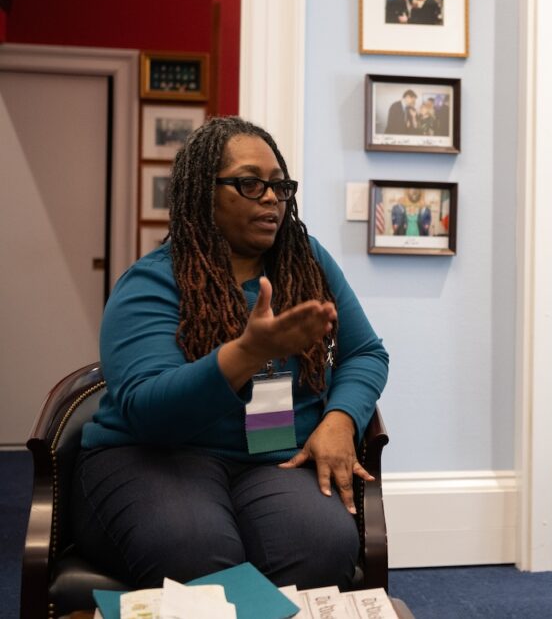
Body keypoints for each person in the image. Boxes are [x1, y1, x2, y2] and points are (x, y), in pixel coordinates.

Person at [70, 117, 389, 590]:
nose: (270, 198)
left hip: (271, 455)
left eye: (280, 187)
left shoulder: (308, 262)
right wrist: (247, 353)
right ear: (203, 192)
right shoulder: (152, 281)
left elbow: (365, 353)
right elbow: (147, 409)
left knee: (320, 546)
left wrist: (341, 419)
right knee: (193, 550)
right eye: (249, 183)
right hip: (157, 456)